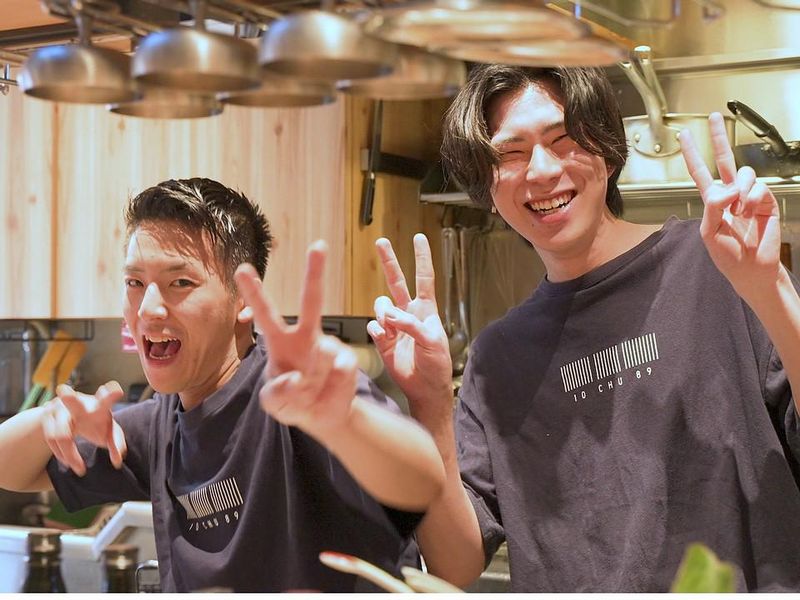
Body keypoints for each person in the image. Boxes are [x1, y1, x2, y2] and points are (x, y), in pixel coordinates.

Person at [366, 64, 800, 592]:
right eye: (510, 154)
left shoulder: (719, 265)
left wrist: (769, 288)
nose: (541, 171)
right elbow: (456, 565)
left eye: (563, 140)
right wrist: (430, 402)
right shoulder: (497, 357)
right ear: (486, 186)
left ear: (608, 151)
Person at [0, 178, 445, 592]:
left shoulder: (296, 393)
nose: (148, 308)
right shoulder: (161, 424)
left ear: (244, 299)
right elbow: (10, 469)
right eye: (135, 282)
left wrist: (345, 419)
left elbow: (421, 480)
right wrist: (49, 418)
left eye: (180, 282)